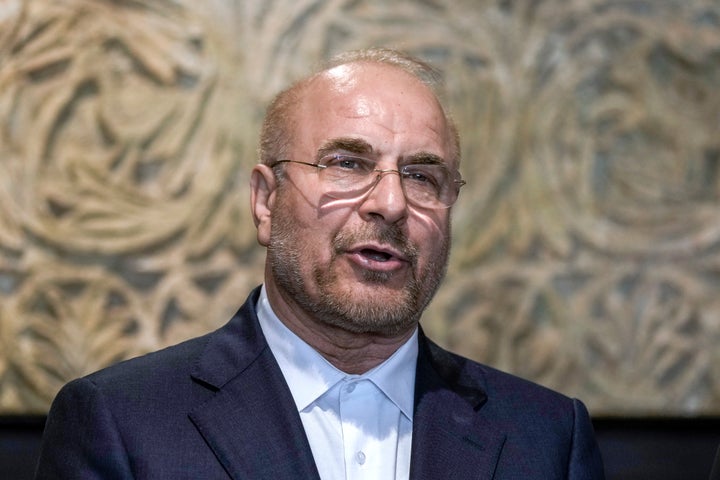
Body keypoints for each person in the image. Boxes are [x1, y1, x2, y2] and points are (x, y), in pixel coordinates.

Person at [34, 48, 605, 479]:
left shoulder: (548, 439)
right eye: (347, 164)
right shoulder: (123, 423)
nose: (391, 203)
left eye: (422, 176)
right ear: (266, 202)